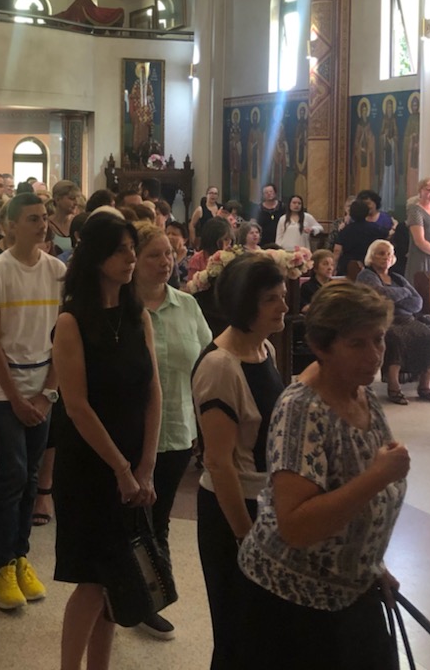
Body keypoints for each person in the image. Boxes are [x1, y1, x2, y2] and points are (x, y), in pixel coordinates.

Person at [236, 282, 407, 666]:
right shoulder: (302, 409)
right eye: (357, 343)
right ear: (320, 347)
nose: (374, 355)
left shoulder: (361, 392)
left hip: (349, 590)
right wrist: (377, 477)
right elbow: (296, 526)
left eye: (379, 339)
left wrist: (371, 563)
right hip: (292, 603)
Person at [51, 210, 161, 670]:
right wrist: (121, 469)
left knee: (117, 578)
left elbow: (153, 391)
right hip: (90, 466)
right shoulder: (72, 321)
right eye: (120, 250)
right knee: (93, 582)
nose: (131, 257)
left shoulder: (138, 315)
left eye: (132, 248)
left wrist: (146, 466)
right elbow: (76, 405)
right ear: (96, 257)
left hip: (132, 462)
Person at [191, 253, 286, 667]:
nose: (284, 306)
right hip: (232, 511)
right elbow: (219, 463)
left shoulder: (264, 350)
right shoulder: (220, 366)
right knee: (237, 635)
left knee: (265, 635)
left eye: (282, 295)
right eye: (271, 299)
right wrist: (245, 537)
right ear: (245, 305)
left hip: (267, 504)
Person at [0, 192, 65, 610]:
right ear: (11, 225)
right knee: (11, 475)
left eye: (44, 217)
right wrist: (15, 399)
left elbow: (62, 339)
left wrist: (47, 394)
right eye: (33, 218)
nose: (42, 224)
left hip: (42, 385)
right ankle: (1, 568)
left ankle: (21, 557)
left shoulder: (57, 271)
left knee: (31, 476)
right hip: (5, 388)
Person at [132, 221, 211, 640]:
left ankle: (149, 598)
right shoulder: (121, 309)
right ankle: (128, 594)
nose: (166, 262)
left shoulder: (187, 306)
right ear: (134, 261)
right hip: (128, 432)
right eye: (154, 255)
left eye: (169, 254)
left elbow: (206, 364)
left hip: (177, 429)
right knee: (130, 520)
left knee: (157, 519)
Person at [356, 239, 430, 405]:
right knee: (395, 339)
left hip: (407, 319)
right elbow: (380, 296)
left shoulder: (397, 278)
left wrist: (394, 297)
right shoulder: (366, 275)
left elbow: (417, 302)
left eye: (389, 254)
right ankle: (394, 387)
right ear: (371, 257)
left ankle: (425, 386)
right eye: (381, 254)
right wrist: (403, 293)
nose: (386, 257)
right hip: (382, 321)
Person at [332, 197, 388, 278]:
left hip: (347, 266)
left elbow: (337, 251)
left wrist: (334, 267)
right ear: (367, 212)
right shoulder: (376, 229)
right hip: (369, 265)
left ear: (351, 213)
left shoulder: (345, 230)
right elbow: (387, 238)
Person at [49, 180, 80, 252]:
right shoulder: (47, 224)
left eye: (77, 198)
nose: (76, 203)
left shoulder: (78, 223)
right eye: (72, 198)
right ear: (57, 199)